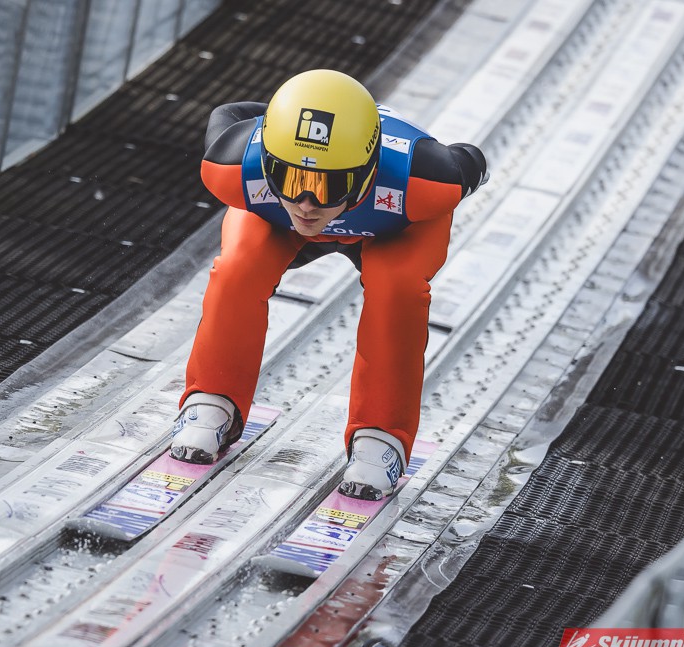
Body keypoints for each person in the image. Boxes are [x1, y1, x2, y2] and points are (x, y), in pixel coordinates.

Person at [169, 69, 488, 500]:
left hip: (395, 228)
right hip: (284, 221)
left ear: (368, 171)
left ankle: (381, 437)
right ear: (266, 163)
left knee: (397, 288)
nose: (307, 205)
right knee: (238, 267)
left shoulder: (427, 180)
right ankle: (211, 399)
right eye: (290, 180)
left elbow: (469, 161)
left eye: (330, 185)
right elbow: (230, 116)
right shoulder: (231, 165)